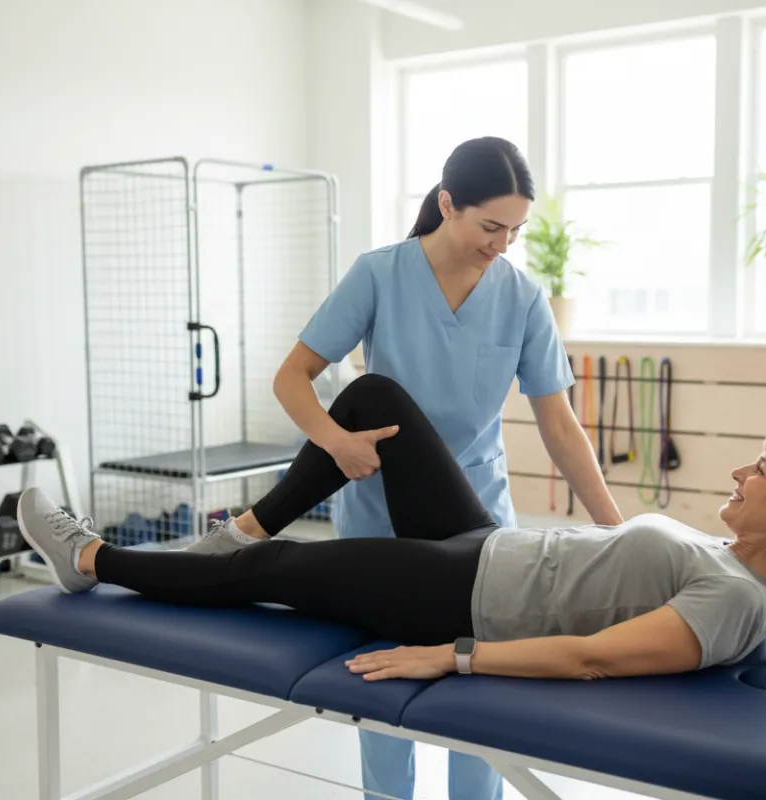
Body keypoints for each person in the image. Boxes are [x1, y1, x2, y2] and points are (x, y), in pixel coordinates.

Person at [188, 136, 622, 800]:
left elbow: (559, 425)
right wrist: (336, 442)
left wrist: (616, 532)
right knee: (380, 682)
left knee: (480, 690)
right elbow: (293, 377)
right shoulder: (380, 274)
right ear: (447, 204)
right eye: (490, 226)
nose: (503, 244)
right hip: (378, 511)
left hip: (479, 517)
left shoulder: (523, 297)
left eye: (515, 231)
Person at [19, 373, 766, 692]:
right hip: (489, 545)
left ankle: (91, 558)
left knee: (275, 569)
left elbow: (594, 657)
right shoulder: (729, 558)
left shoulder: (735, 601)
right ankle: (229, 534)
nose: (739, 473)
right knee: (377, 401)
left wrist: (454, 656)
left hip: (464, 598)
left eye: (760, 470)